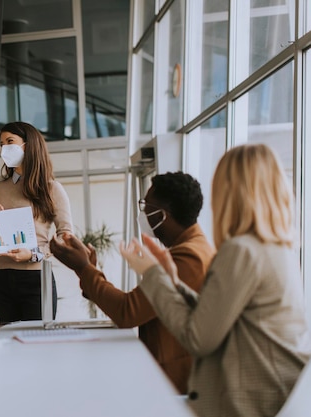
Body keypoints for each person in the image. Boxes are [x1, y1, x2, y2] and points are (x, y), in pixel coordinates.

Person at [120, 144, 311, 417]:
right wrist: (173, 283)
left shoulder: (241, 250)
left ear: (230, 193)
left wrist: (152, 275)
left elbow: (198, 338)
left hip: (251, 405)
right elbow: (225, 317)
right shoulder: (278, 249)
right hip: (280, 398)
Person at [50, 171, 215, 394]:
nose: (144, 211)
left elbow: (128, 311)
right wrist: (89, 270)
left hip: (176, 385)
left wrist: (84, 268)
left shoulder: (188, 258)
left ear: (161, 215)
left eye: (146, 205)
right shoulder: (194, 248)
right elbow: (135, 305)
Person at [0, 121, 72, 324]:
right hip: (0, 278)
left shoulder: (52, 188)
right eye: (2, 143)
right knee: (5, 344)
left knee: (37, 345)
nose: (4, 148)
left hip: (35, 278)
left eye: (10, 141)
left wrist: (34, 254)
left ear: (29, 144)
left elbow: (65, 236)